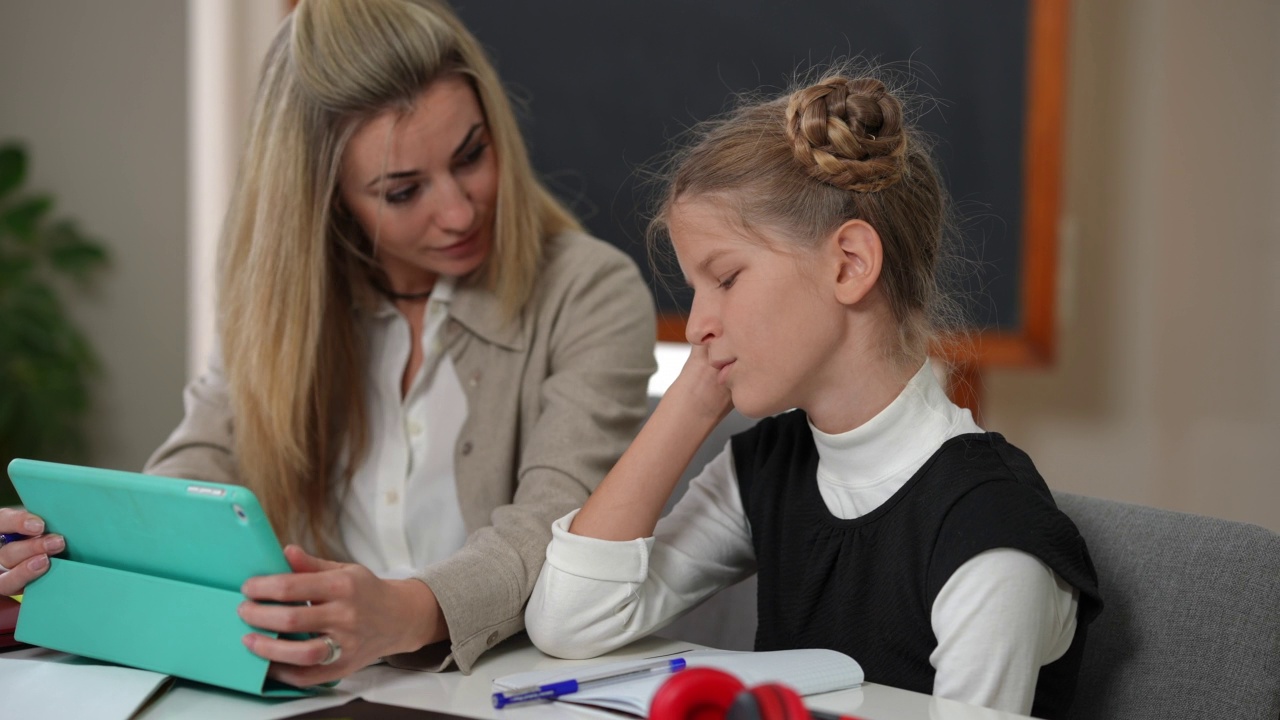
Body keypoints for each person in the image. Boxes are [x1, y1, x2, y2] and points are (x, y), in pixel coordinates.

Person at [0, 0, 656, 684]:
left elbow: (557, 526)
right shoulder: (275, 302)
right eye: (402, 191)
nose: (459, 210)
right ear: (327, 197)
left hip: (505, 686)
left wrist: (406, 611)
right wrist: (74, 556)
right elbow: (203, 461)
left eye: (472, 155)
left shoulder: (590, 292)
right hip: (320, 689)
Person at [523, 69, 1102, 719]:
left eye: (725, 278)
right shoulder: (766, 469)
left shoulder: (988, 536)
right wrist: (692, 400)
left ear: (850, 264)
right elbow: (568, 623)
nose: (695, 325)